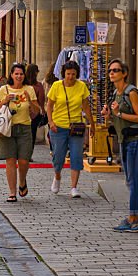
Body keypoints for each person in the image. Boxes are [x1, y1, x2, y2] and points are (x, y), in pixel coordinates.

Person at [103, 59, 138, 232]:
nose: (112, 73)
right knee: (130, 180)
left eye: (116, 70)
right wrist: (109, 116)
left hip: (136, 140)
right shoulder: (116, 94)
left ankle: (134, 219)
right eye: (110, 71)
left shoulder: (131, 92)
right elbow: (118, 118)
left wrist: (118, 113)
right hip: (125, 140)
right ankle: (135, 218)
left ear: (124, 73)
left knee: (133, 180)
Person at [46, 59, 95, 198]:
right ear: (64, 74)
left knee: (76, 156)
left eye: (73, 74)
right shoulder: (56, 86)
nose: (71, 77)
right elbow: (49, 105)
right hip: (58, 126)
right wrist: (51, 122)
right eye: (68, 74)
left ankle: (74, 187)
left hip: (76, 126)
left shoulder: (81, 87)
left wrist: (92, 124)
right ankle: (57, 176)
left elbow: (86, 106)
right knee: (58, 157)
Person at [0, 63, 40, 202]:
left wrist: (30, 100)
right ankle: (12, 192)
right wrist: (4, 101)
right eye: (16, 74)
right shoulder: (4, 89)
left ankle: (22, 182)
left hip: (24, 128)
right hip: (7, 128)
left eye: (21, 74)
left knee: (24, 161)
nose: (19, 76)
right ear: (11, 75)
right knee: (10, 160)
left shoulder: (29, 89)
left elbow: (37, 111)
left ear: (24, 76)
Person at [25, 64, 46, 149]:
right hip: (34, 113)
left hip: (24, 112)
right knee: (32, 133)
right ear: (36, 73)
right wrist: (43, 111)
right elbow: (41, 99)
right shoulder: (38, 86)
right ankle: (29, 153)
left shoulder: (24, 85)